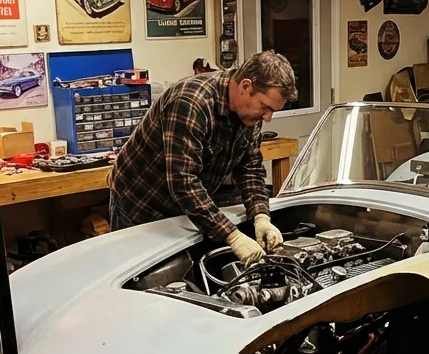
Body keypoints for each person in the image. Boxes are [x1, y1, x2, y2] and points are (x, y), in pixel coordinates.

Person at [108, 50, 296, 265]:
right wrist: (231, 236)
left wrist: (261, 216)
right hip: (142, 204)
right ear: (245, 86)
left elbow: (249, 167)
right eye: (265, 107)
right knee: (139, 278)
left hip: (185, 209)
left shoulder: (250, 112)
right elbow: (183, 181)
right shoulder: (191, 102)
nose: (268, 117)